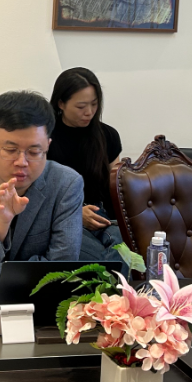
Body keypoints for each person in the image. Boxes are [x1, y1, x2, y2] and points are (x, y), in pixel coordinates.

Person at [0, 90, 84, 289]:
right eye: (10, 150)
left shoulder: (67, 184)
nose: (22, 162)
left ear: (48, 145)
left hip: (43, 300)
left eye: (34, 152)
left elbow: (62, 270)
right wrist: (1, 222)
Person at [48, 68, 124, 264]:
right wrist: (74, 214)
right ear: (61, 103)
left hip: (102, 217)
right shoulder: (44, 138)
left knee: (124, 251)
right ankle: (106, 283)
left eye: (94, 104)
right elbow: (37, 193)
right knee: (95, 256)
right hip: (61, 218)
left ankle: (109, 285)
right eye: (81, 106)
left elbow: (116, 189)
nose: (89, 112)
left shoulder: (108, 136)